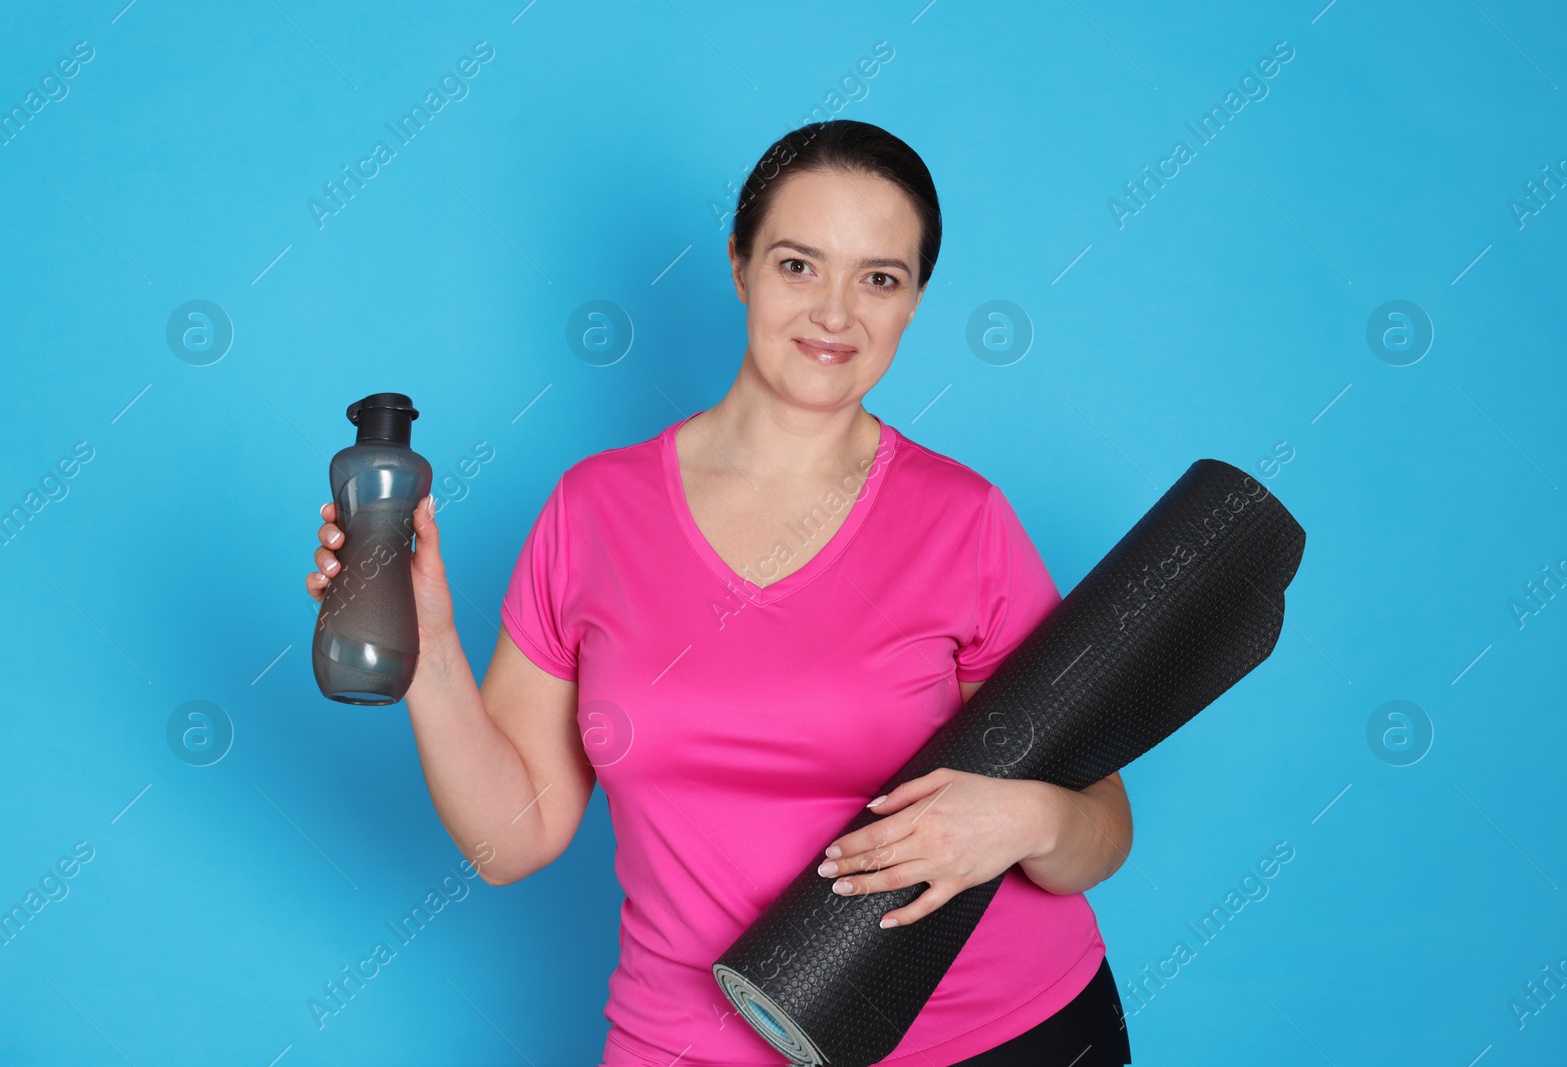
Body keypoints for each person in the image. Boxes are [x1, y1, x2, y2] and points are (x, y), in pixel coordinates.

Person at [306, 119, 1134, 1067]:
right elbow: (515, 838)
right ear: (739, 266)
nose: (835, 312)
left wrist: (1033, 817)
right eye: (797, 264)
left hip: (994, 1035)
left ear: (913, 305)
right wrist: (429, 653)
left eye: (879, 278)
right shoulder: (594, 512)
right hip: (695, 1040)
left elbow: (1102, 825)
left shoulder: (965, 521)